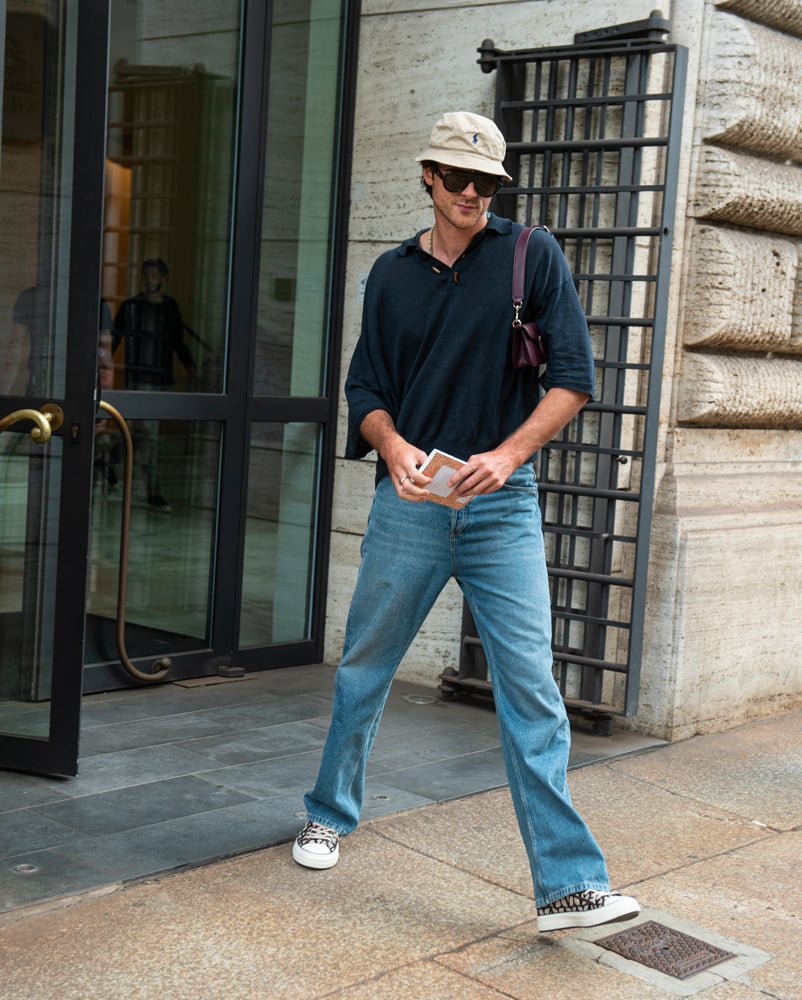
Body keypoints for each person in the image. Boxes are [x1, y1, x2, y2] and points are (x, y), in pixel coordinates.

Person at [292, 111, 640, 933]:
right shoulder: (391, 273)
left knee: (532, 691)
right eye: (458, 179)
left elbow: (573, 378)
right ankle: (328, 813)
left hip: (502, 509)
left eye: (487, 182)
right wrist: (396, 446)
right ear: (428, 176)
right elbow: (364, 391)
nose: (473, 194)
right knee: (365, 668)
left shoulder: (531, 254)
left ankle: (568, 885)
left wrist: (510, 456)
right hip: (409, 504)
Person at [113, 258, 195, 511]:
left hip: (161, 379)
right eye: (146, 275)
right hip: (138, 380)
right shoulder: (131, 306)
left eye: (153, 276)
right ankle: (153, 492)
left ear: (163, 279)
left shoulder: (170, 308)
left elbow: (176, 341)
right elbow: (114, 339)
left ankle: (107, 461)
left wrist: (188, 364)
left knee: (142, 436)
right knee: (150, 438)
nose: (149, 280)